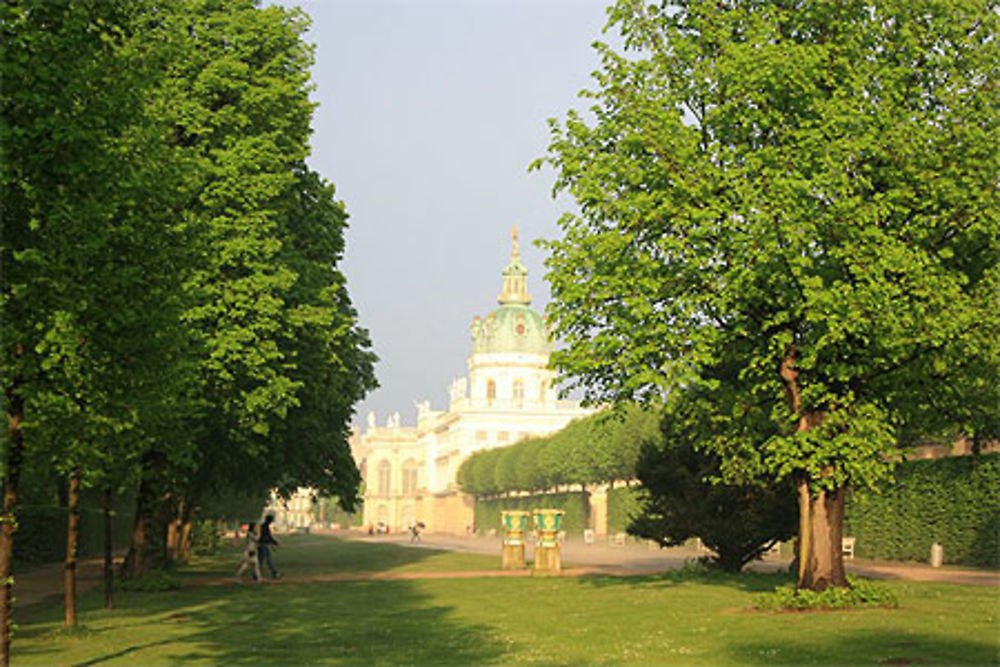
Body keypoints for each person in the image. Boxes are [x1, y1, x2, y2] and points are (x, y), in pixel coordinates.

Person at [258, 514, 281, 579]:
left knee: (260, 560)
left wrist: (273, 543)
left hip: (261, 545)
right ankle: (275, 573)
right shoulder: (265, 527)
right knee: (268, 560)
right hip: (264, 545)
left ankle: (255, 573)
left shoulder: (263, 526)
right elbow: (268, 537)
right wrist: (275, 542)